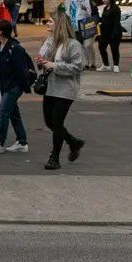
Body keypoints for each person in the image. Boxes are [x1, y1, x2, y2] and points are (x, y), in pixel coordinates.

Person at [37, 10, 88, 170]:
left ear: (59, 24)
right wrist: (42, 62)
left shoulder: (72, 44)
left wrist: (55, 66)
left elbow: (78, 66)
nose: (47, 23)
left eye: (50, 21)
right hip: (50, 86)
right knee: (50, 122)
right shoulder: (51, 42)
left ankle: (55, 157)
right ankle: (73, 142)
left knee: (57, 122)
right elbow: (46, 62)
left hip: (65, 89)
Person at [0, 19, 32, 152]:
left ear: (0, 32)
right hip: (5, 85)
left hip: (14, 86)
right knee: (13, 113)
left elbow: (20, 70)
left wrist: (25, 87)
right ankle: (22, 142)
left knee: (3, 111)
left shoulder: (15, 48)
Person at [95, 0, 123, 73]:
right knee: (101, 47)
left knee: (114, 49)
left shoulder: (116, 9)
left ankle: (116, 65)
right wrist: (98, 20)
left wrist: (114, 33)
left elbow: (116, 22)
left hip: (114, 32)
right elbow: (104, 19)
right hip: (104, 32)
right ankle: (106, 65)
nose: (103, 0)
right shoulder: (105, 8)